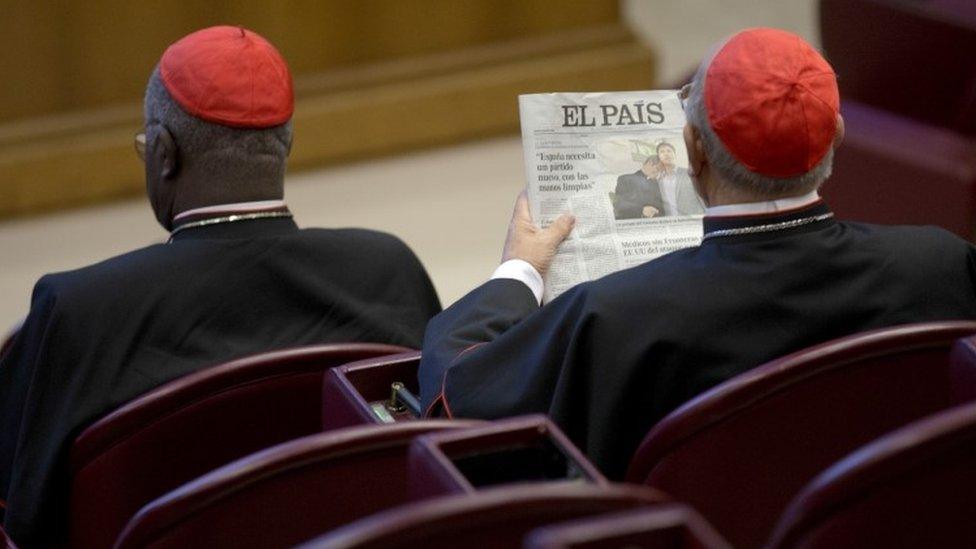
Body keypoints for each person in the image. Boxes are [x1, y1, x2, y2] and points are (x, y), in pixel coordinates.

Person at [418, 28, 976, 481]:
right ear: (836, 135)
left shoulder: (613, 316)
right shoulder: (941, 265)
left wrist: (519, 272)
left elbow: (458, 405)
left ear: (692, 149)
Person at [0, 26, 441, 546]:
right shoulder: (388, 270)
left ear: (164, 152)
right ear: (287, 146)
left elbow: (18, 515)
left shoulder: (77, 313)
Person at [652, 141, 704, 216]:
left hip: (694, 220)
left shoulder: (690, 174)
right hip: (672, 222)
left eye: (669, 151)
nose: (666, 154)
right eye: (662, 152)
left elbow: (702, 197)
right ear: (659, 157)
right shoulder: (658, 180)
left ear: (674, 155)